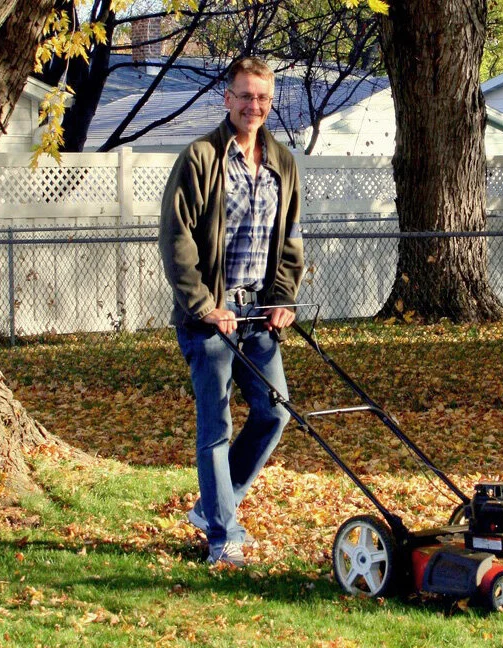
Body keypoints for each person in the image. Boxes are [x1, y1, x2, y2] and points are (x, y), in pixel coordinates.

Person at [159, 57, 304, 567]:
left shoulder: (282, 161)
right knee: (215, 427)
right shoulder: (201, 159)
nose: (253, 106)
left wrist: (282, 300)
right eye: (245, 96)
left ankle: (212, 506)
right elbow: (177, 242)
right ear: (228, 99)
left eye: (262, 98)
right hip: (209, 322)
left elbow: (289, 241)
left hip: (257, 316)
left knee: (275, 411)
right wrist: (203, 306)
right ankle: (223, 536)